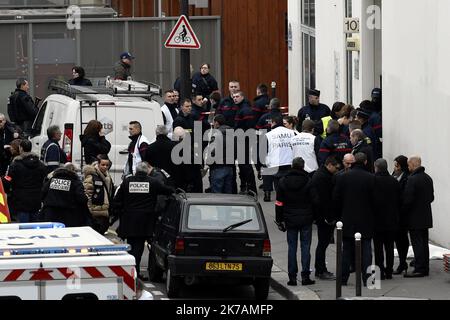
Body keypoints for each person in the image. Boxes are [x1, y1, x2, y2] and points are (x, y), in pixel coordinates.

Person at [113, 162, 174, 278]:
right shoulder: (152, 182)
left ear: (136, 170)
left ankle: (133, 271)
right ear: (147, 171)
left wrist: (119, 213)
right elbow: (167, 190)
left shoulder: (127, 182)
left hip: (129, 221)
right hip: (144, 222)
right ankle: (134, 273)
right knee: (139, 248)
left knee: (131, 246)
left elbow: (117, 200)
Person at [333, 152, 375, 286]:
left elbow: (336, 198)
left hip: (347, 218)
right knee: (367, 250)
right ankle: (368, 279)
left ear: (354, 161)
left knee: (347, 250)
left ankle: (343, 278)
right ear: (366, 162)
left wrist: (339, 215)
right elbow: (376, 200)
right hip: (366, 219)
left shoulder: (343, 177)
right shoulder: (371, 178)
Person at [275, 157, 317, 286]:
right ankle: (305, 276)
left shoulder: (283, 182)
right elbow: (314, 201)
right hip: (305, 217)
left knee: (291, 247)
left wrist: (279, 219)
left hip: (290, 217)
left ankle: (292, 277)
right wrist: (314, 216)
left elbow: (279, 203)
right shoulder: (308, 181)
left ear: (292, 166)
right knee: (305, 247)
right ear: (303, 166)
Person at [403, 156, 434, 278]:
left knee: (417, 243)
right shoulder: (428, 178)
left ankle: (420, 269)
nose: (408, 167)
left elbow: (407, 200)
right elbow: (431, 198)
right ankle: (424, 266)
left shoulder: (412, 179)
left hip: (414, 217)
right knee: (424, 243)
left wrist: (404, 212)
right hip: (426, 216)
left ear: (413, 164)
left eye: (408, 164)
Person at [311, 156, 341, 280]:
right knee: (323, 244)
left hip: (321, 216)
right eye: (335, 167)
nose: (337, 169)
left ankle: (321, 269)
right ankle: (320, 269)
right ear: (329, 165)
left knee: (322, 244)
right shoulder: (323, 178)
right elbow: (325, 200)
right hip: (324, 217)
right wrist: (329, 218)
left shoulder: (321, 175)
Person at [5, 140, 46, 223]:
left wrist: (7, 188)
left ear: (21, 148)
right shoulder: (40, 164)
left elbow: (8, 179)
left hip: (21, 200)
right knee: (35, 226)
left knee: (24, 227)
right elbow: (43, 179)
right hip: (36, 199)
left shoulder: (15, 164)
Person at [373, 158, 401, 280]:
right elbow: (400, 200)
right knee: (389, 247)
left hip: (377, 220)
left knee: (378, 248)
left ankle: (380, 271)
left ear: (376, 167)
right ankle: (389, 271)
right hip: (391, 219)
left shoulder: (372, 181)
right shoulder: (394, 182)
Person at [41, 163, 90, 227]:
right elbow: (81, 198)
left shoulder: (53, 180)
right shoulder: (75, 182)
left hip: (50, 213)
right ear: (74, 171)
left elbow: (43, 193)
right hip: (69, 215)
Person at [262, 113, 295, 201]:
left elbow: (262, 152)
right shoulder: (292, 133)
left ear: (274, 123)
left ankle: (268, 193)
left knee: (277, 187)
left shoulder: (268, 135)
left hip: (274, 164)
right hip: (289, 163)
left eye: (271, 123)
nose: (270, 125)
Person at [83, 155, 114, 235]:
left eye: (107, 165)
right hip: (95, 213)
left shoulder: (108, 177)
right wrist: (89, 212)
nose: (105, 167)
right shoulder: (91, 177)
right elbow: (87, 195)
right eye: (103, 165)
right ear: (98, 164)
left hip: (104, 212)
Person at [205, 114, 235, 194]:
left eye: (213, 122)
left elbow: (212, 152)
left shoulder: (216, 135)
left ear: (217, 123)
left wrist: (208, 164)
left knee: (217, 195)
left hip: (217, 167)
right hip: (229, 167)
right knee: (228, 194)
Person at [392, 155, 410, 275]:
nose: (395, 167)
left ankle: (403, 262)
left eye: (397, 165)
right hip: (394, 211)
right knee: (398, 239)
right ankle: (402, 262)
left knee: (402, 238)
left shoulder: (407, 177)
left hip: (402, 212)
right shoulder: (394, 174)